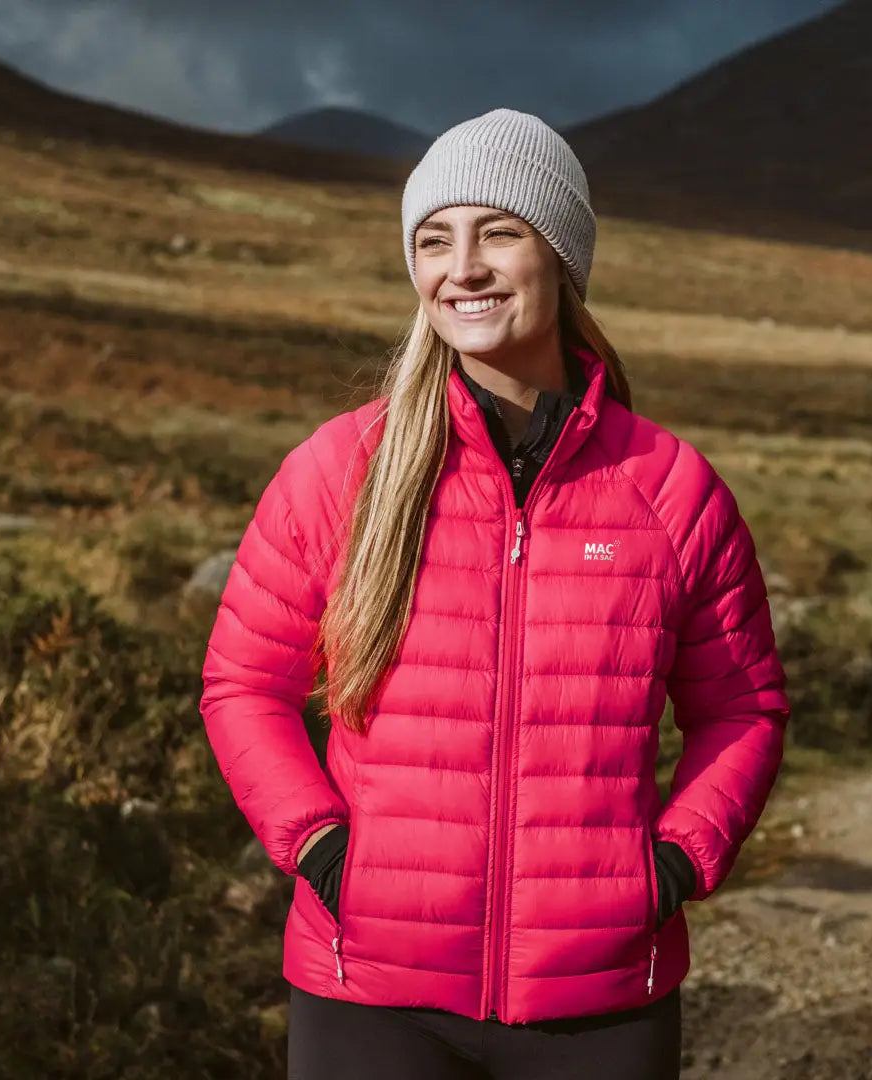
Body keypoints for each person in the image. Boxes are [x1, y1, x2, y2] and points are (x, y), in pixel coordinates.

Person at [200, 107, 789, 1080]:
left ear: (561, 256)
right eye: (434, 241)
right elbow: (244, 688)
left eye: (498, 233)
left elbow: (745, 709)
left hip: (597, 1002)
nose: (461, 268)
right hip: (367, 998)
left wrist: (672, 865)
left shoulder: (671, 491)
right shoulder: (336, 472)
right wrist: (322, 850)